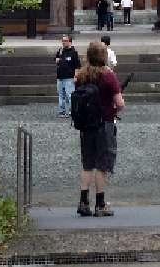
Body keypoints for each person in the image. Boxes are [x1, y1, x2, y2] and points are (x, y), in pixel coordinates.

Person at [75, 40, 124, 217]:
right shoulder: (108, 76)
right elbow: (120, 104)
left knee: (87, 163)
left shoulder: (81, 75)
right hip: (104, 123)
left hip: (86, 124)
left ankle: (83, 202)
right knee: (102, 164)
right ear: (104, 56)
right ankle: (100, 203)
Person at [55, 34, 80, 117]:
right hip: (60, 77)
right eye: (63, 41)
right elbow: (56, 59)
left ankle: (71, 111)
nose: (63, 43)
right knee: (61, 95)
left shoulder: (74, 53)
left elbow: (77, 66)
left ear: (70, 42)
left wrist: (76, 76)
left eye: (66, 41)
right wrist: (57, 60)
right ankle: (61, 111)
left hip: (69, 77)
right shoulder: (60, 50)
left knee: (70, 95)